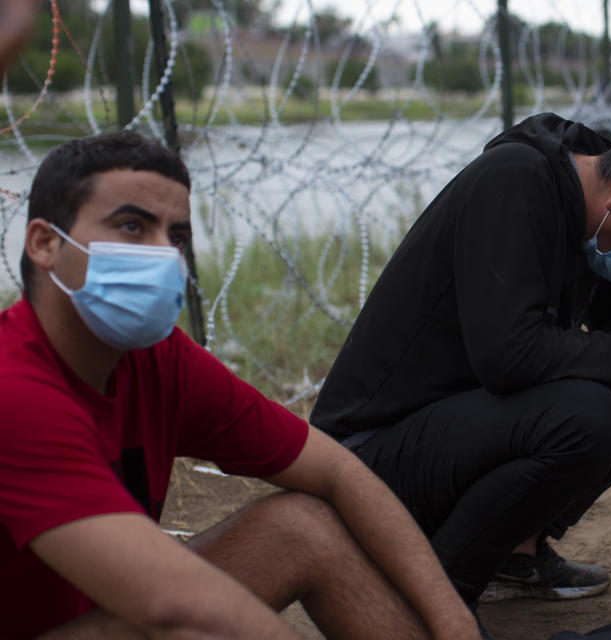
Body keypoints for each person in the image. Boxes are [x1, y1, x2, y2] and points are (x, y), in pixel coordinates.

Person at [0, 131, 482, 640]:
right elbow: (172, 603)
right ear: (45, 244)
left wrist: (455, 625)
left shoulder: (158, 361)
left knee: (299, 529)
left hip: (99, 618)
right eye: (132, 226)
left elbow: (338, 471)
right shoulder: (15, 391)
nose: (165, 256)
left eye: (177, 236)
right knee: (194, 620)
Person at [309, 113, 611, 608]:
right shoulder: (514, 182)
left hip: (456, 432)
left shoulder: (601, 211)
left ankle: (511, 551)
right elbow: (512, 358)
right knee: (583, 418)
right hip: (368, 457)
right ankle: (434, 602)